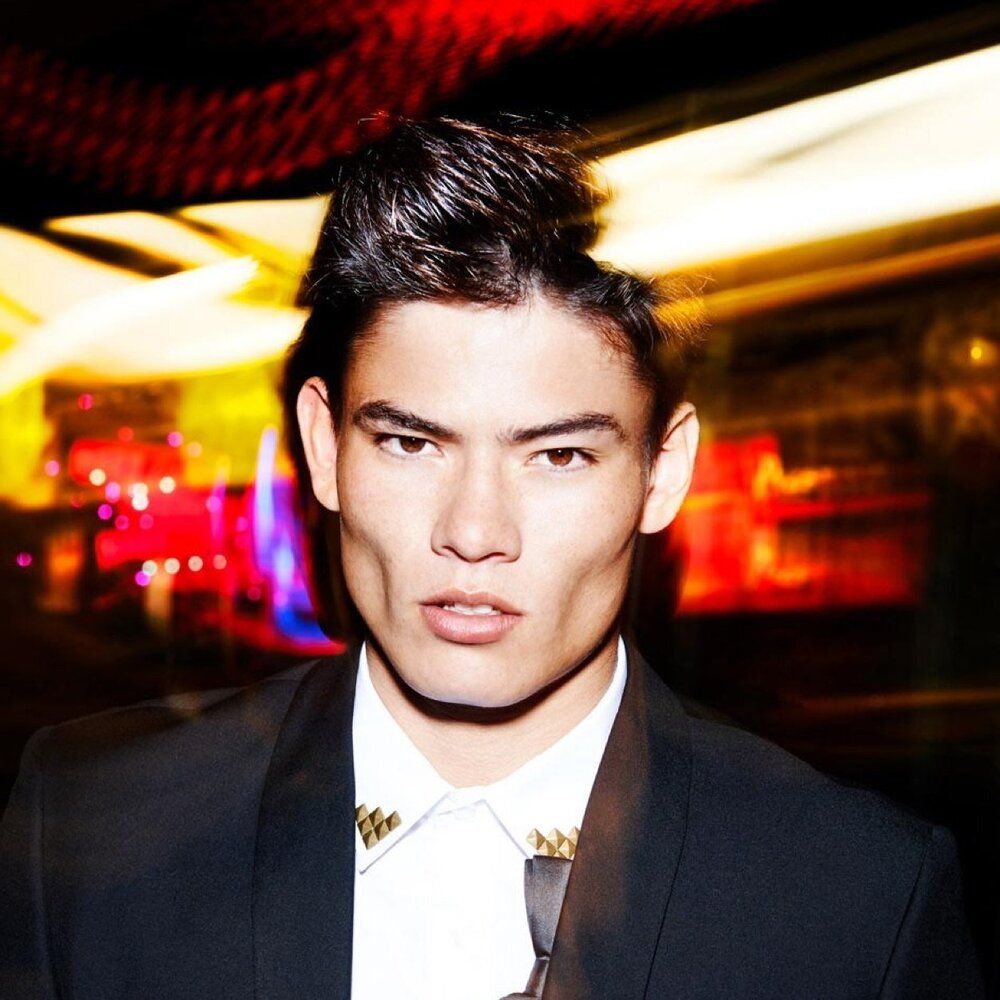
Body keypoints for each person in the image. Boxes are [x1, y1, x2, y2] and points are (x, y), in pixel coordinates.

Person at [0, 115, 985, 1000]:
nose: (474, 532)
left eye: (558, 456)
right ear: (323, 447)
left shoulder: (858, 901)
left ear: (663, 472)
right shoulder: (90, 831)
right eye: (410, 442)